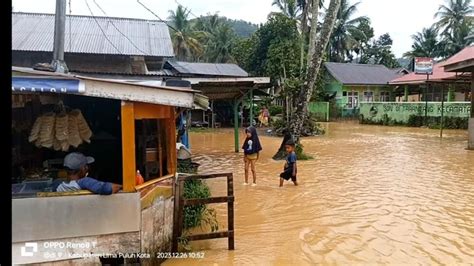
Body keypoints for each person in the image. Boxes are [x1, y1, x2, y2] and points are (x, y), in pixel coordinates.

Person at [56, 152, 122, 195]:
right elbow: (106, 188)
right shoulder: (84, 182)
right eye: (86, 166)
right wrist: (122, 186)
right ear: (83, 169)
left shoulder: (58, 184)